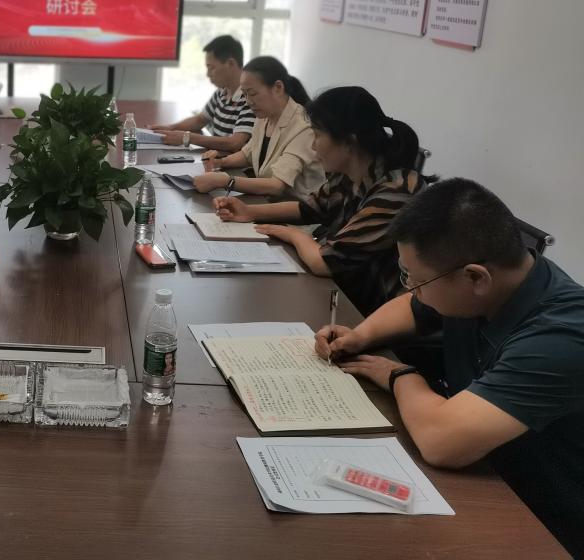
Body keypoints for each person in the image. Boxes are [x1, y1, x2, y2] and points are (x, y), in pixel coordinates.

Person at [314, 179, 584, 557]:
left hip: (545, 521)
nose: (411, 289)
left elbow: (442, 442)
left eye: (417, 280)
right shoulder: (492, 283)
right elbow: (413, 308)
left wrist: (399, 375)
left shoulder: (562, 336)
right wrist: (359, 336)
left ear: (475, 277)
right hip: (489, 475)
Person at [213, 86, 423, 315]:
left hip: (373, 309)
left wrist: (293, 234)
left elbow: (324, 263)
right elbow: (309, 208)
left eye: (318, 135)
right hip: (347, 294)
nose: (313, 146)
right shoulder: (349, 173)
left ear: (349, 142)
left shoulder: (395, 192)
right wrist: (249, 212)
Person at [193, 56, 324, 198]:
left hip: (297, 206)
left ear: (278, 88)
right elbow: (248, 154)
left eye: (253, 93)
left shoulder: (302, 127)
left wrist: (226, 181)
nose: (248, 101)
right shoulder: (264, 116)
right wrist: (220, 162)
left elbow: (276, 185)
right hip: (268, 200)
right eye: (245, 94)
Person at [149, 35, 255, 153]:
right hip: (216, 159)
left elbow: (234, 143)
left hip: (232, 163)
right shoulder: (221, 92)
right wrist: (171, 127)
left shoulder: (250, 98)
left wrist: (187, 137)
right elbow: (200, 120)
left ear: (230, 64)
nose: (208, 74)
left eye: (211, 68)